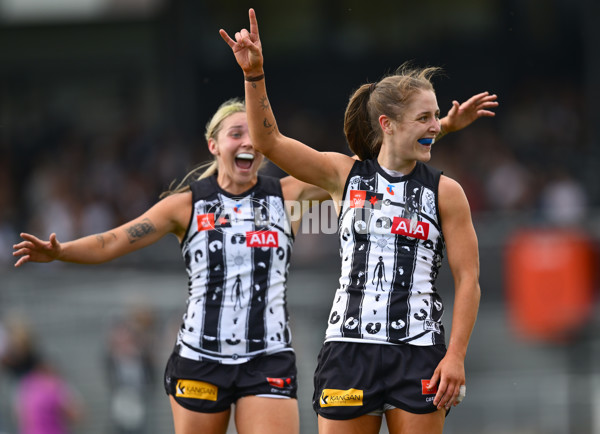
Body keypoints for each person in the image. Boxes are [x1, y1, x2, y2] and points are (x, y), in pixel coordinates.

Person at [220, 9, 489, 434]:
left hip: (418, 352)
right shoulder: (343, 175)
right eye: (425, 118)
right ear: (387, 124)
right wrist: (254, 75)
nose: (436, 126)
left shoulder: (447, 192)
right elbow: (269, 142)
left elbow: (469, 278)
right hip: (349, 351)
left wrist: (455, 355)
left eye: (437, 116)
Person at [13, 98, 330, 434]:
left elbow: (350, 171)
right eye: (236, 133)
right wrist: (61, 251)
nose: (248, 142)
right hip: (200, 359)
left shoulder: (289, 195)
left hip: (269, 357)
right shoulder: (185, 205)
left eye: (255, 136)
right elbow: (114, 240)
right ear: (214, 145)